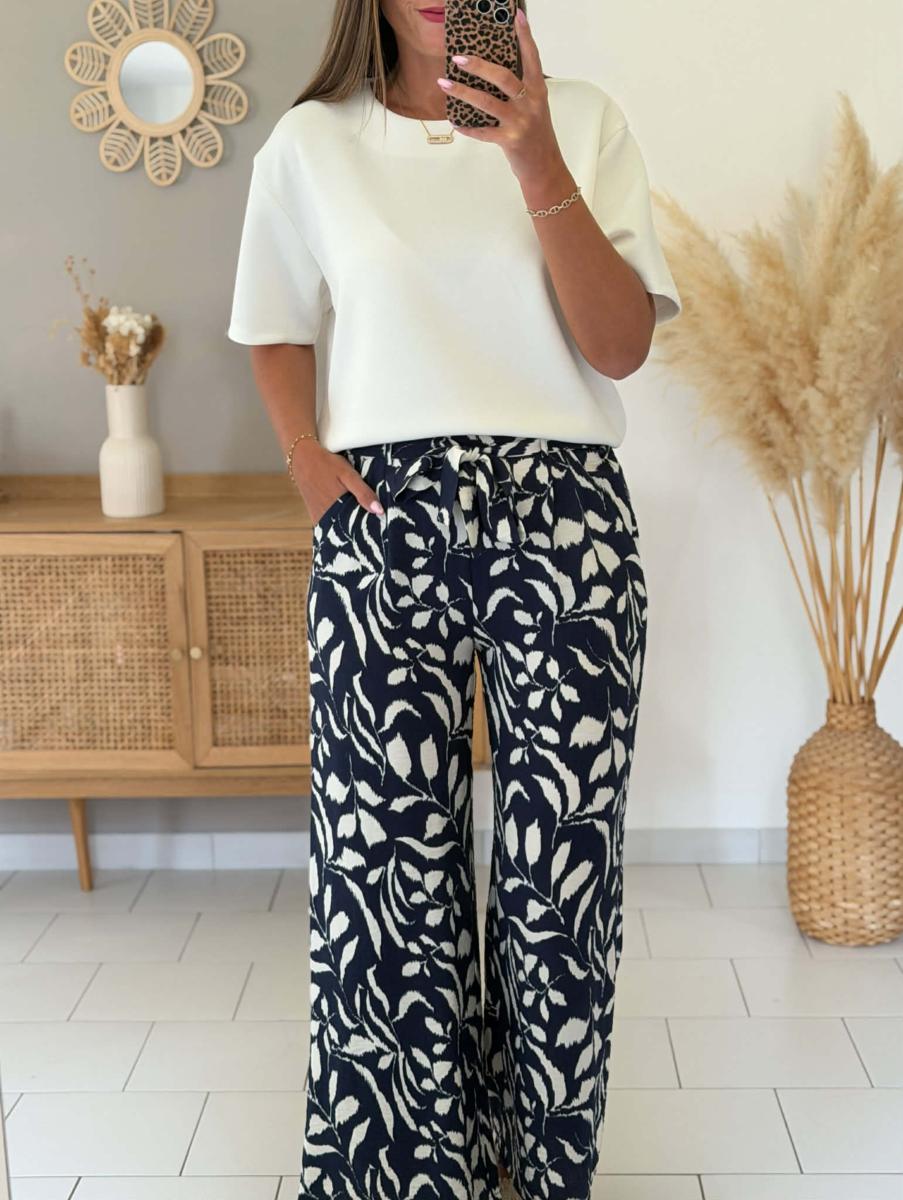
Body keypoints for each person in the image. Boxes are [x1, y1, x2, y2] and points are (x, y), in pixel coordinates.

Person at [227, 1, 681, 1197]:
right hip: (384, 518)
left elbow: (621, 346)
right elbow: (273, 324)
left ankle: (541, 1171)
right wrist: (307, 466)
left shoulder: (581, 122)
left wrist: (534, 154)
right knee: (385, 870)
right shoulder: (313, 143)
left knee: (557, 879)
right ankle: (408, 1174)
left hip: (563, 520)